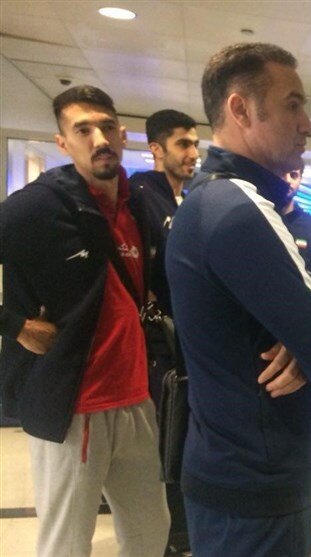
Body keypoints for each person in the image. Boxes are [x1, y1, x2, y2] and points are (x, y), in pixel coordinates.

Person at [165, 43, 311, 556]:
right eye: (293, 105)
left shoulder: (209, 199)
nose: (307, 124)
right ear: (241, 109)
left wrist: (305, 336)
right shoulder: (238, 208)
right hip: (255, 489)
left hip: (233, 471)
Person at [0, 85, 169, 556]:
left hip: (135, 400)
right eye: (83, 130)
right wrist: (15, 325)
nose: (99, 139)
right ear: (63, 143)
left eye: (107, 127)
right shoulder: (37, 207)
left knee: (150, 534)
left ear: (123, 135)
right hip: (75, 406)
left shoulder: (138, 205)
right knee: (67, 544)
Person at [130, 108, 200, 555]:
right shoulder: (141, 195)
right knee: (164, 439)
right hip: (154, 346)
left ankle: (180, 532)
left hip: (183, 343)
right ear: (156, 149)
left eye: (195, 144)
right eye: (183, 144)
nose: (193, 153)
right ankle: (169, 537)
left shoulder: (184, 200)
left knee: (182, 435)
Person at [282, 161, 311, 286]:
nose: (288, 180)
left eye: (294, 175)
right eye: (282, 173)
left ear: (300, 180)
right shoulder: (259, 216)